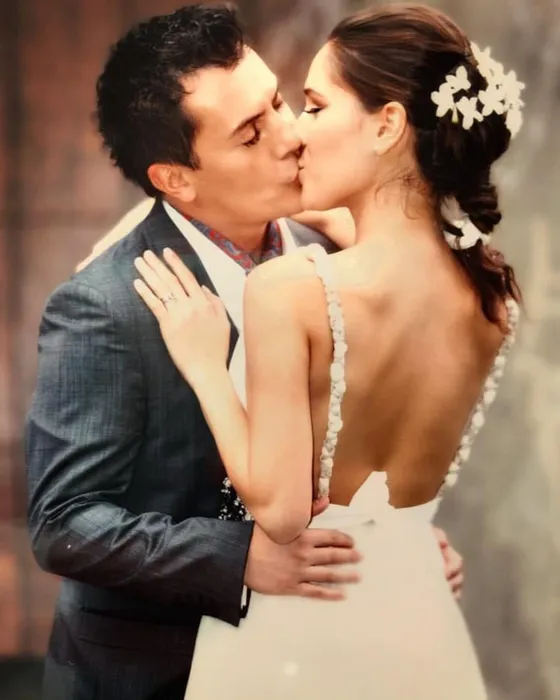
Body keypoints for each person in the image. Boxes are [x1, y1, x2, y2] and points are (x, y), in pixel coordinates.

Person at [24, 5, 461, 700]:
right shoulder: (104, 305)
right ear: (176, 179)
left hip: (315, 659)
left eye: (280, 104)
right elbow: (63, 522)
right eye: (252, 133)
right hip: (152, 671)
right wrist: (238, 559)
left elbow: (357, 444)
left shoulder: (332, 256)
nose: (291, 137)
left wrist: (392, 540)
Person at [132, 4, 523, 700]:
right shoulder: (492, 297)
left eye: (314, 107)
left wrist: (205, 366)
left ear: (388, 124)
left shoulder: (291, 290)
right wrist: (334, 211)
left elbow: (282, 514)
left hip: (303, 625)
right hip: (418, 613)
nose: (296, 133)